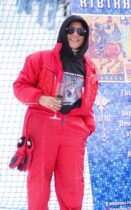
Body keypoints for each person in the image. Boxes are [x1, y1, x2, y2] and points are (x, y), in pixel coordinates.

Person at [13, 15, 98, 210]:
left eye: (81, 31)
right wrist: (40, 98)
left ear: (86, 36)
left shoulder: (90, 68)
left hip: (73, 132)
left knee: (73, 187)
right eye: (71, 30)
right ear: (63, 32)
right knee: (38, 185)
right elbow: (19, 86)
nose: (75, 34)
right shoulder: (40, 59)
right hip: (43, 128)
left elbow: (88, 101)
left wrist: (87, 126)